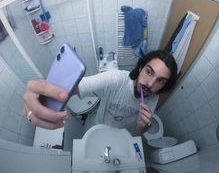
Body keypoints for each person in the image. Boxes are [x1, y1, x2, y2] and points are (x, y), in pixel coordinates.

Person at [23, 50, 177, 136]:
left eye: (160, 81)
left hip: (123, 134)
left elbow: (139, 131)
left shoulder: (153, 99)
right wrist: (43, 91)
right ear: (141, 67)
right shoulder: (115, 79)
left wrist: (144, 127)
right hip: (100, 125)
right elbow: (74, 86)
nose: (150, 84)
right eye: (149, 72)